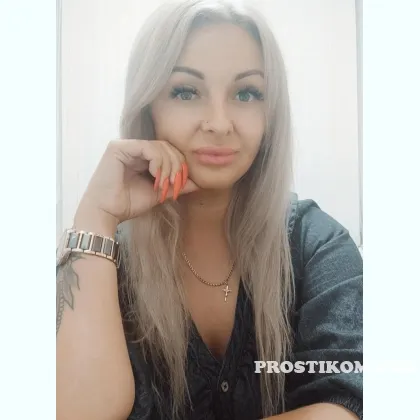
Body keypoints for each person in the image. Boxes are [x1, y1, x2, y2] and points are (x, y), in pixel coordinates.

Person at [56, 1, 363, 419]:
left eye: (246, 93)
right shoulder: (104, 256)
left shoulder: (316, 244)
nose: (219, 122)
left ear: (270, 114)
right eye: (186, 92)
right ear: (148, 107)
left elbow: (349, 402)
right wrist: (96, 215)